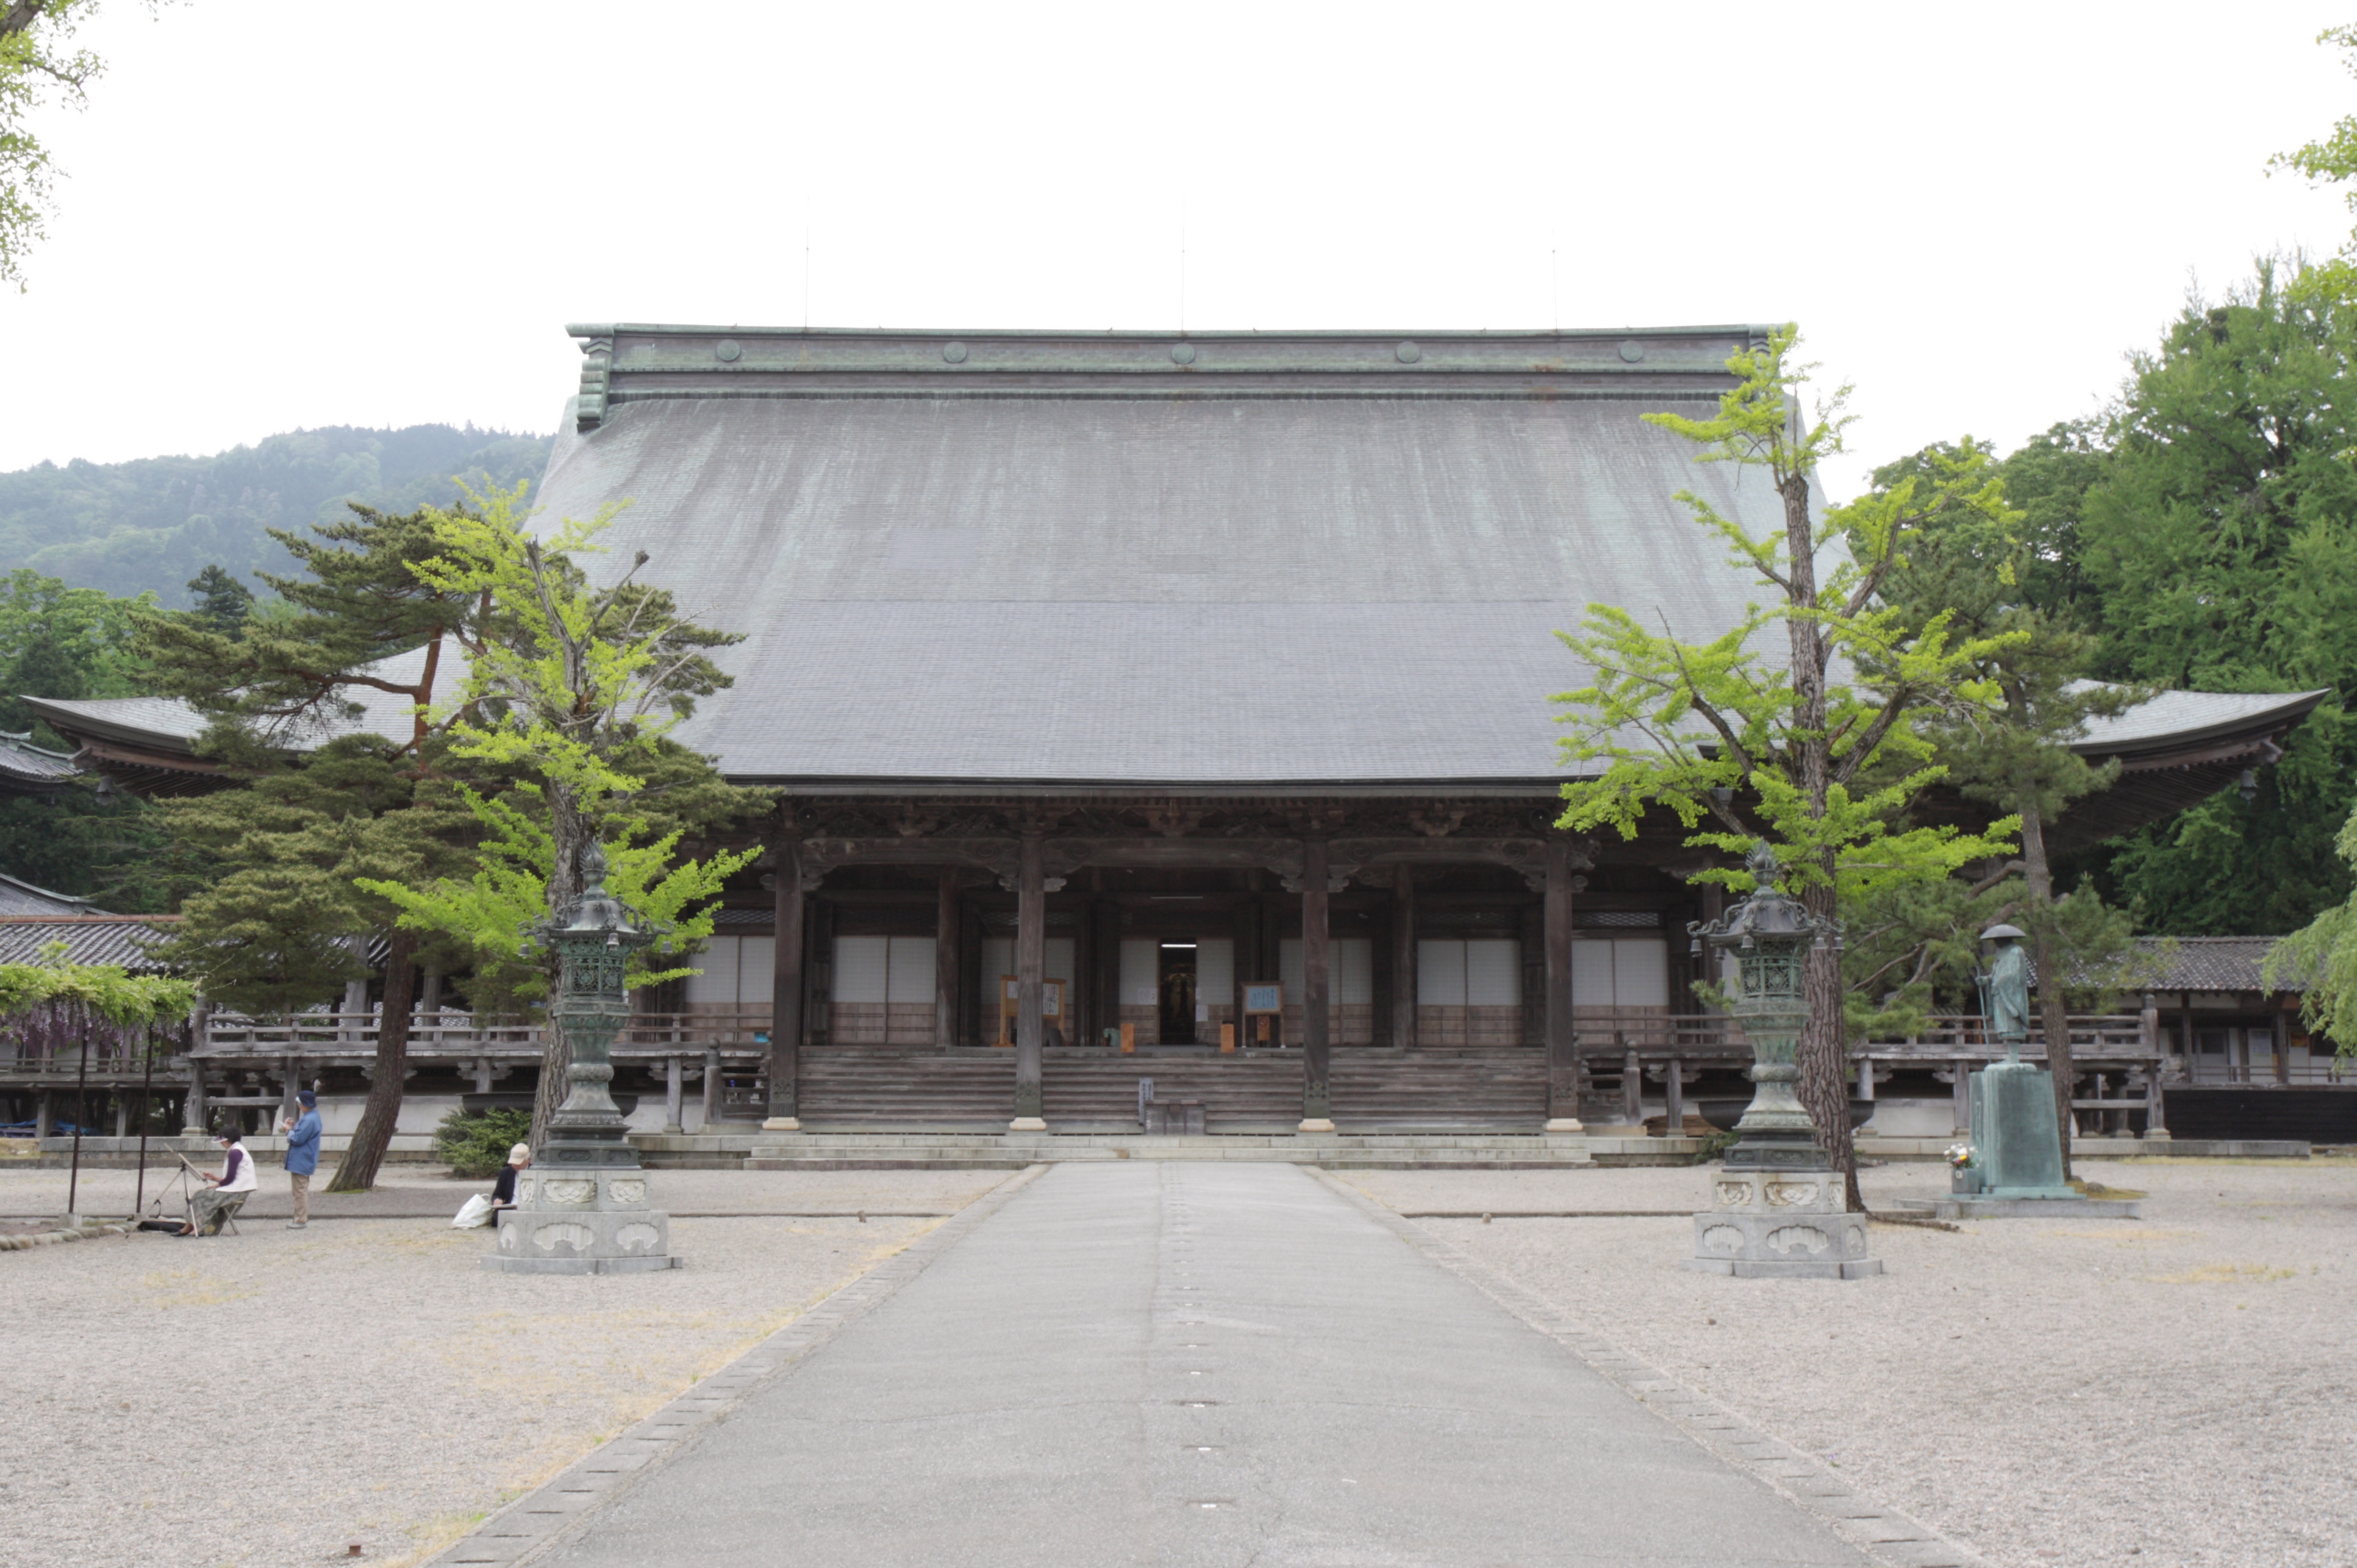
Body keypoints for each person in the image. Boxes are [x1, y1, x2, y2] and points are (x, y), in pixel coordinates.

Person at [177, 1128, 258, 1236]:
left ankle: (197, 1227)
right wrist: (214, 1178)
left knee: (201, 1196)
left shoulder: (235, 1152)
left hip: (237, 1192)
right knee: (201, 1195)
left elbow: (230, 1178)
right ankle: (193, 1226)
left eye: (223, 1141)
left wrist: (216, 1185)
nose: (221, 1143)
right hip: (237, 1189)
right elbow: (233, 1178)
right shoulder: (238, 1150)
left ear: (229, 1139)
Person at [279, 1090, 321, 1229]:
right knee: (299, 1191)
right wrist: (292, 1127)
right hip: (303, 1159)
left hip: (302, 1160)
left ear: (305, 1104)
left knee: (299, 1192)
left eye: (300, 1103)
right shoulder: (311, 1117)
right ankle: (298, 1219)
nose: (298, 1106)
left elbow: (298, 1139)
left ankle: (300, 1220)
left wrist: (288, 1130)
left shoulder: (309, 1119)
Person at [489, 1142, 532, 1212]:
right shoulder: (505, 1173)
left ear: (528, 1160)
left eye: (518, 1163)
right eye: (513, 1163)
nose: (515, 1166)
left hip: (529, 1209)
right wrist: (497, 1200)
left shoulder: (535, 1172)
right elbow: (497, 1194)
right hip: (510, 1208)